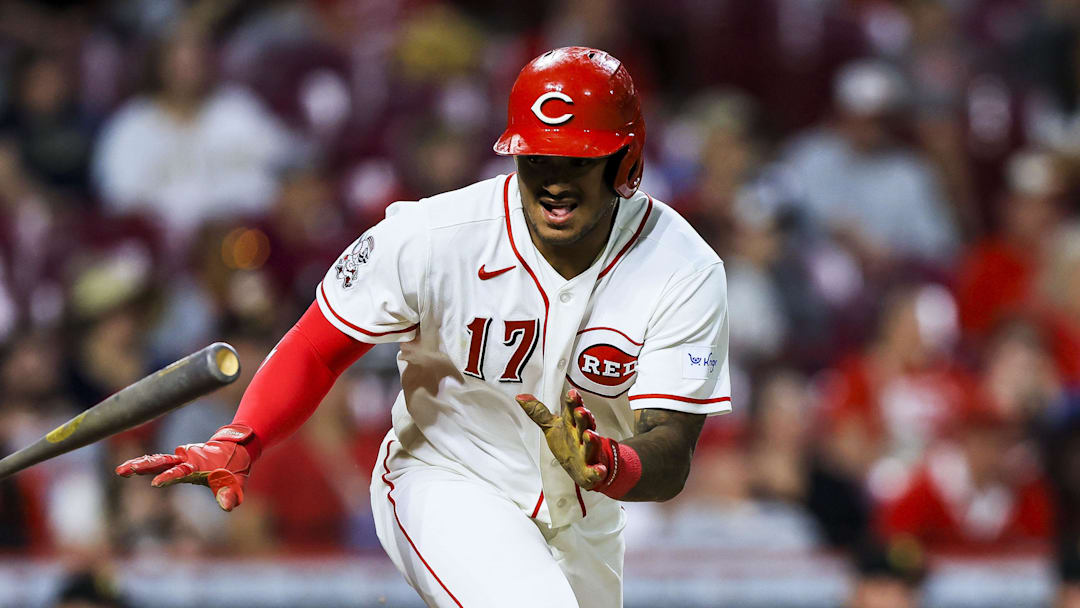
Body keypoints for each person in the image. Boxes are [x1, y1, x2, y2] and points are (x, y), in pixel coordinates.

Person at [116, 47, 731, 607]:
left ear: (626, 159)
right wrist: (243, 439)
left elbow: (671, 455)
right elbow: (318, 346)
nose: (553, 180)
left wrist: (608, 465)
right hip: (448, 477)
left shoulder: (681, 267)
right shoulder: (431, 236)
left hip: (587, 514)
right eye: (535, 156)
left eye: (577, 158)